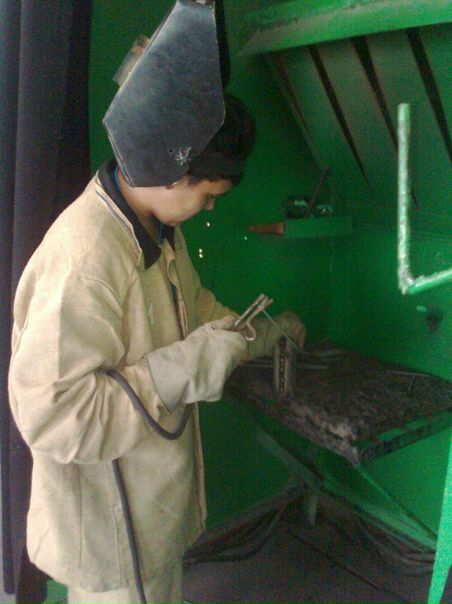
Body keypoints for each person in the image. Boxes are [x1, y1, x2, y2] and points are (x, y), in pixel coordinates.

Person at [8, 91, 306, 604]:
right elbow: (52, 414)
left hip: (150, 506)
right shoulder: (85, 259)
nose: (210, 207)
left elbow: (192, 304)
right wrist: (181, 370)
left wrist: (263, 334)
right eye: (208, 195)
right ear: (172, 173)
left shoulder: (157, 223)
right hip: (110, 526)